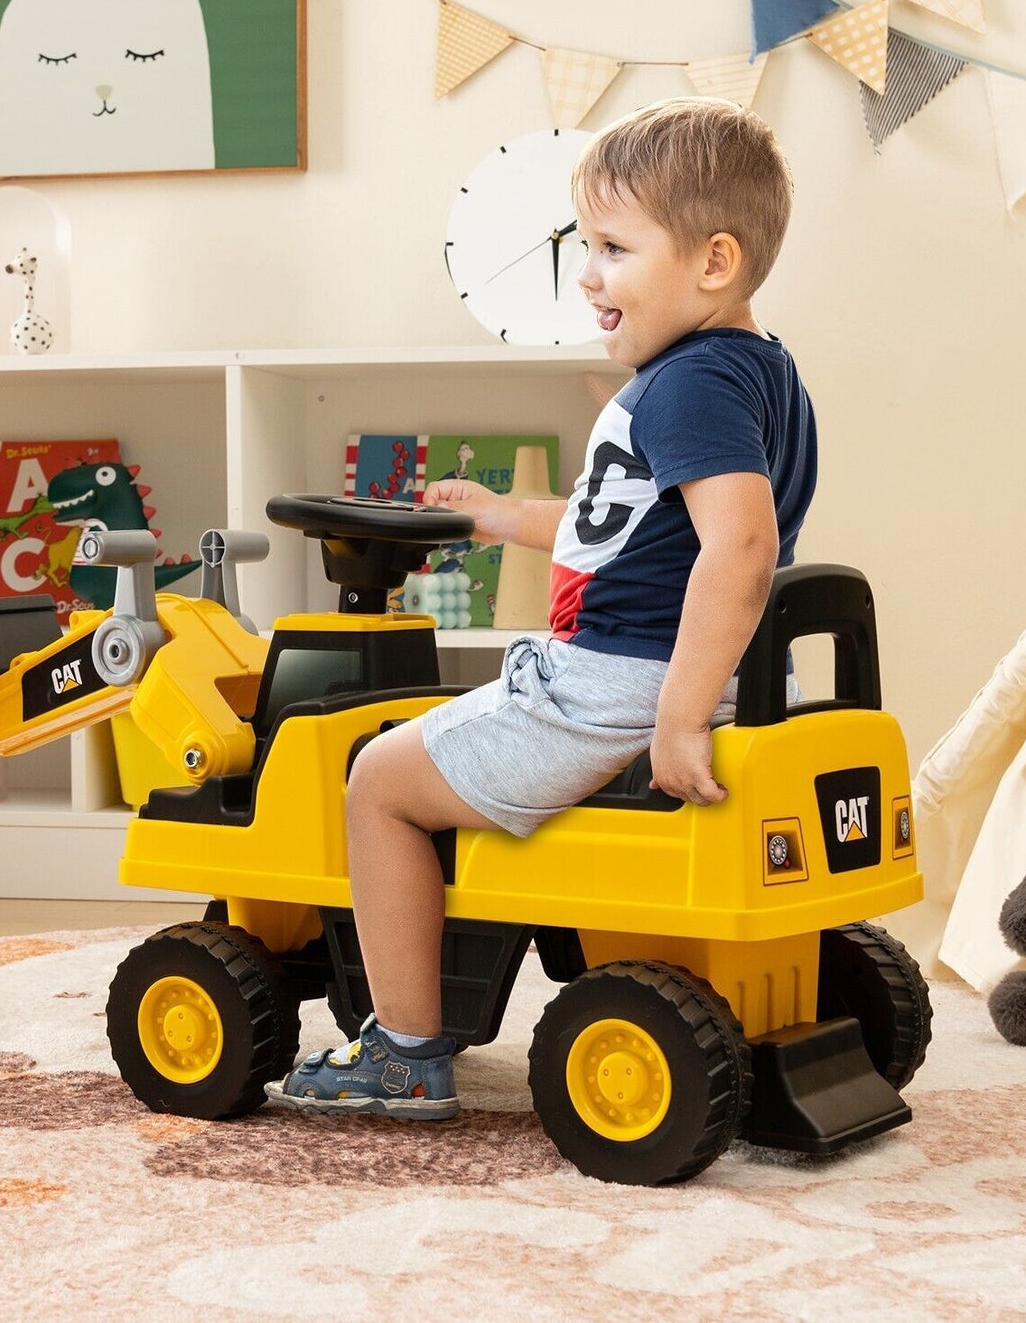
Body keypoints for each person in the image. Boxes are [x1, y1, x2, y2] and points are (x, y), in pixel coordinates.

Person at [265, 96, 816, 1120]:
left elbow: (742, 544)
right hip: (676, 670)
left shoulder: (684, 383)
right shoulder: (752, 371)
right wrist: (501, 518)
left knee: (375, 778)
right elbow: (631, 523)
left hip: (620, 682)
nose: (587, 273)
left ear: (711, 263)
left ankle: (403, 1047)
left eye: (612, 247)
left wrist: (678, 716)